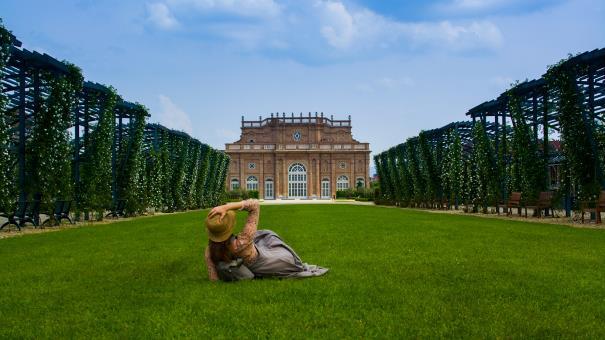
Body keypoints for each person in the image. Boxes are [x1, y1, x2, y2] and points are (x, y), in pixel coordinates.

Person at [204, 199, 328, 282]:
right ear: (230, 227)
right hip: (270, 261)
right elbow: (254, 205)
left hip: (247, 262)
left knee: (262, 237)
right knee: (272, 241)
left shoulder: (210, 251)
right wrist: (227, 206)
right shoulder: (243, 241)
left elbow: (213, 279)